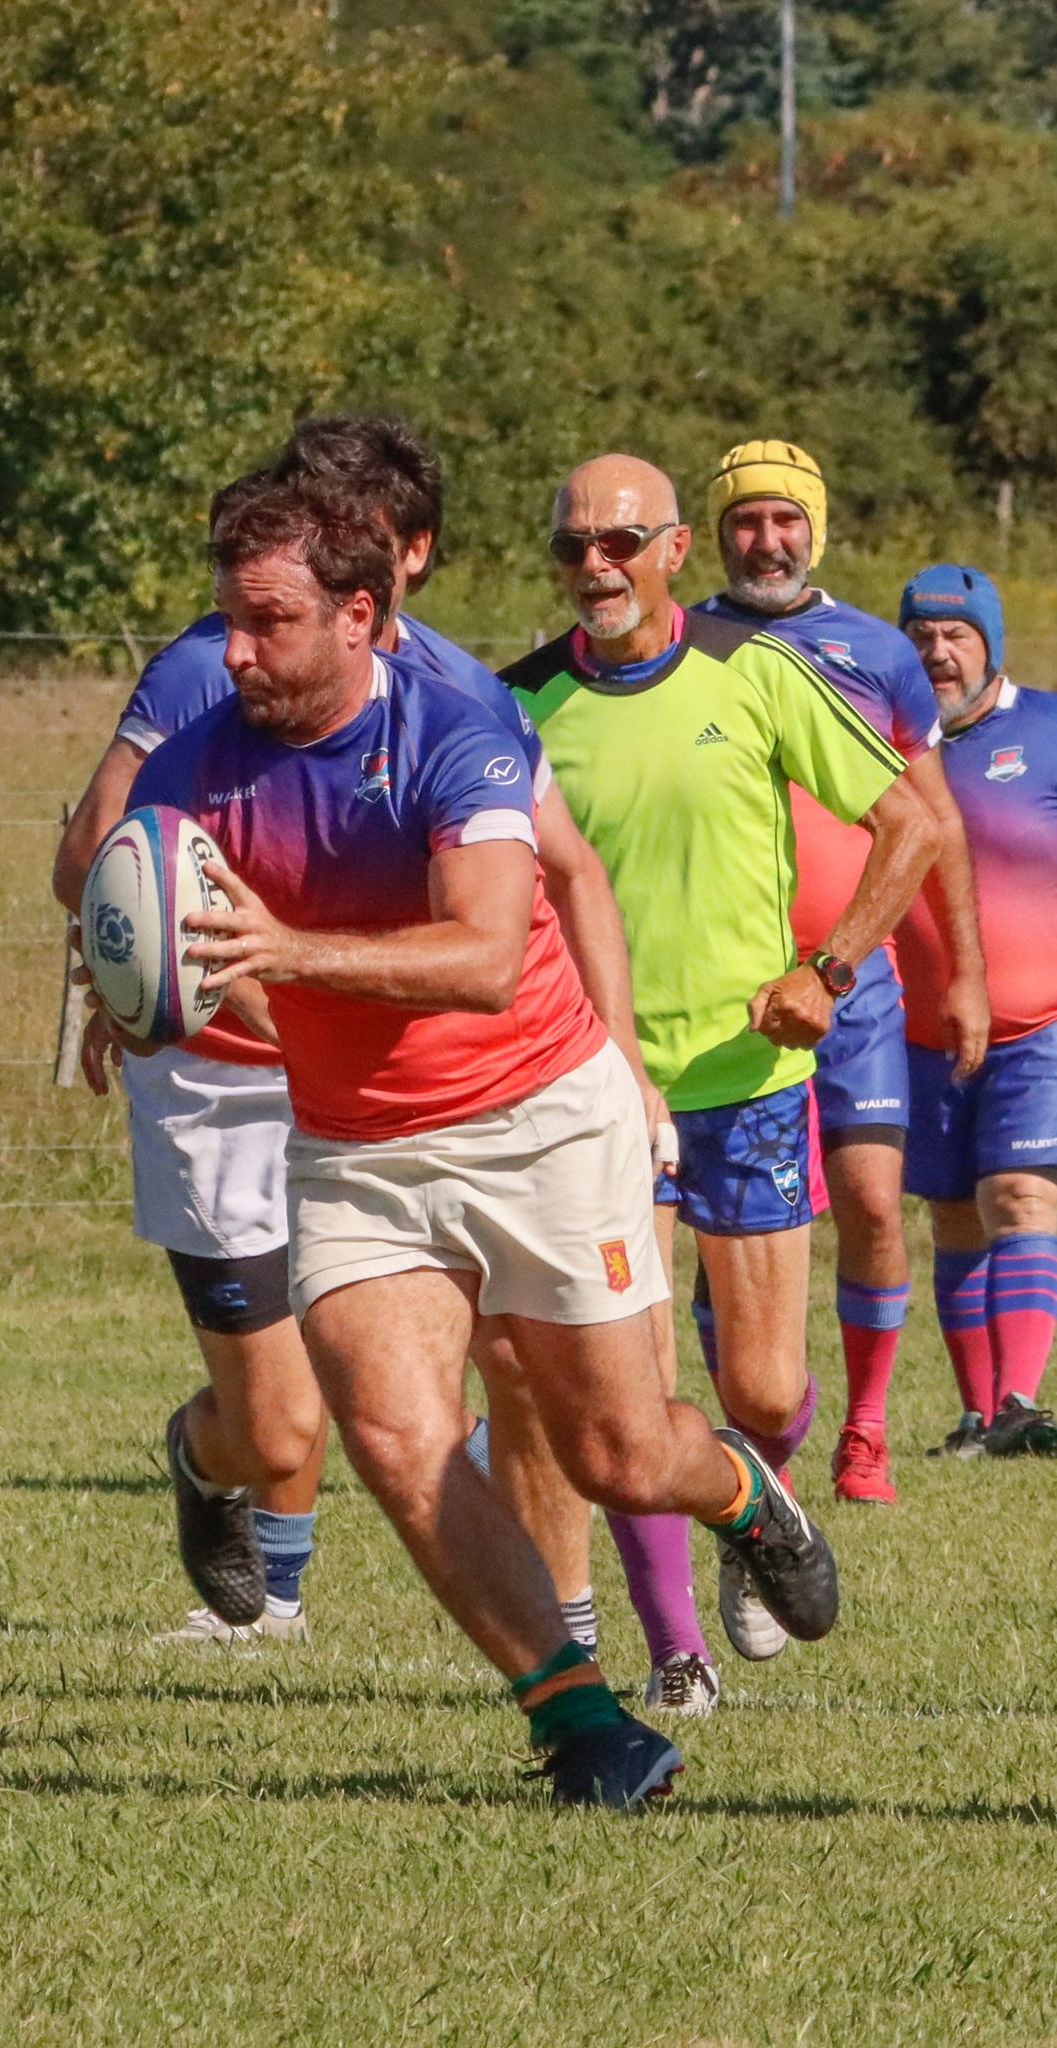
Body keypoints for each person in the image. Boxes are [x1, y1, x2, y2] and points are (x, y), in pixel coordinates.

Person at [125, 464, 841, 1808]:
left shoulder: (459, 722)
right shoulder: (190, 764)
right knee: (395, 1436)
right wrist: (128, 983)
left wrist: (283, 948)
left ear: (355, 614)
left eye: (264, 623)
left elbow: (482, 959)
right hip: (353, 1153)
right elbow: (134, 914)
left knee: (616, 1453)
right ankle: (580, 1726)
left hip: (538, 1122)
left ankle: (739, 1490)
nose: (231, 651)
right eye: (224, 619)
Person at [54, 416, 551, 1647]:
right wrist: (132, 964)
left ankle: (458, 1615)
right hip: (221, 1082)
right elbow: (98, 862)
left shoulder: (462, 698)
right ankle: (205, 1462)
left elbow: (555, 882)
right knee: (274, 1428)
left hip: (394, 1086)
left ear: (400, 564)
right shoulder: (205, 672)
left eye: (360, 540)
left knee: (433, 1367)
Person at [500, 454, 938, 1681]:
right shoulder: (517, 702)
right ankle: (673, 1656)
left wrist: (832, 968)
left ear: (673, 549)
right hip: (591, 1090)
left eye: (618, 541)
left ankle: (757, 1497)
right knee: (624, 1404)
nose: (593, 566)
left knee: (760, 1379)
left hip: (747, 1078)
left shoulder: (756, 673)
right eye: (571, 545)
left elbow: (909, 821)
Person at [698, 441, 987, 1504]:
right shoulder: (686, 641)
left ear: (815, 529)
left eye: (784, 521)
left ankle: (863, 1426)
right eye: (744, 521)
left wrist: (961, 972)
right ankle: (752, 1415)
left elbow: (932, 818)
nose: (765, 541)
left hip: (853, 979)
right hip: (723, 986)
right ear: (714, 532)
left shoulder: (879, 651)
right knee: (721, 1224)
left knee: (869, 1202)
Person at [896, 566, 1057, 1457]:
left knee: (1021, 1193)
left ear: (989, 641)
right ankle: (977, 1415)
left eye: (955, 635)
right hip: (923, 1031)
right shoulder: (884, 748)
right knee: (953, 1212)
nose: (936, 652)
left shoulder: (1047, 728)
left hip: (1040, 1024)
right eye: (920, 637)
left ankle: (1020, 1401)